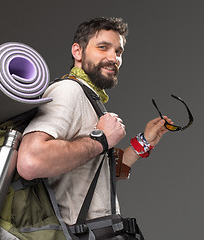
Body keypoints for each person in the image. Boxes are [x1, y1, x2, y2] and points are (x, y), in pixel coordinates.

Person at [17, 17, 172, 227]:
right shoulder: (68, 91)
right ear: (77, 51)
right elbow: (31, 161)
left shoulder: (88, 97)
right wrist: (100, 140)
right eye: (103, 48)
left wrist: (144, 142)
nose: (113, 58)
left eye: (118, 52)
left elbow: (95, 172)